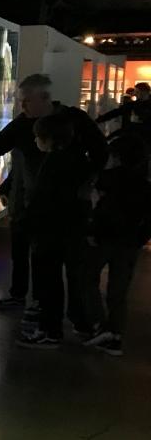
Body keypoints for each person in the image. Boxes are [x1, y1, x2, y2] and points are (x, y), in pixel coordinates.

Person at [0, 73, 107, 310]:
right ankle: (29, 301)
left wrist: (87, 183)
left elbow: (100, 152)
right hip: (30, 202)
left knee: (59, 262)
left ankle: (59, 311)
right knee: (26, 253)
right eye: (21, 101)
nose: (22, 106)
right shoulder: (22, 124)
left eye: (26, 101)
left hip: (66, 207)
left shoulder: (75, 120)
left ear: (44, 98)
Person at [16, 113, 94, 349]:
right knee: (62, 281)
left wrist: (27, 223)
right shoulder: (78, 160)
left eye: (38, 137)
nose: (35, 141)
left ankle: (50, 331)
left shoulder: (53, 163)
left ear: (49, 139)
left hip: (49, 233)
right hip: (70, 231)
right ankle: (67, 325)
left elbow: (43, 199)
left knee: (48, 284)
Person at [81, 133, 151, 356]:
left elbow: (98, 209)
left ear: (117, 157)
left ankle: (99, 325)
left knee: (87, 278)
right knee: (119, 291)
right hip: (129, 243)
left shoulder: (106, 179)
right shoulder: (145, 185)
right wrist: (140, 239)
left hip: (103, 240)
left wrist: (91, 232)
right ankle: (115, 335)